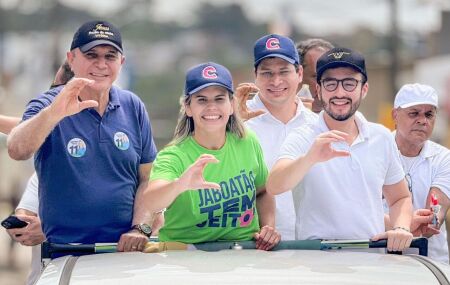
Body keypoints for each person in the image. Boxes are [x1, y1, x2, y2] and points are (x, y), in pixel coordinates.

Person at [7, 20, 158, 253]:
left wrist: (140, 229)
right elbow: (17, 149)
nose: (101, 64)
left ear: (122, 62)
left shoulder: (133, 106)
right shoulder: (47, 103)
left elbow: (148, 179)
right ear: (71, 58)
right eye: (91, 55)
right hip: (66, 253)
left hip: (125, 252)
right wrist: (54, 113)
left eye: (110, 56)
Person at [267, 47, 414, 252]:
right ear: (318, 89)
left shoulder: (380, 136)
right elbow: (274, 185)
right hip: (317, 261)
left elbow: (400, 197)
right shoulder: (303, 136)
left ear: (364, 89)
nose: (339, 93)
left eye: (349, 83)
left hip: (372, 261)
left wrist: (400, 227)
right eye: (330, 83)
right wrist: (310, 158)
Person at [144, 62, 280, 250]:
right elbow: (151, 202)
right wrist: (180, 184)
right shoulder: (174, 155)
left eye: (219, 99)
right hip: (186, 254)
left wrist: (268, 228)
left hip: (242, 252)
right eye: (201, 100)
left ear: (231, 105)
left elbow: (263, 190)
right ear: (188, 107)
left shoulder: (247, 141)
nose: (211, 107)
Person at [234, 34, 318, 240]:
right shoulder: (238, 123)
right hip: (253, 245)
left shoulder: (317, 126)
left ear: (299, 73)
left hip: (311, 247)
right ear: (255, 75)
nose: (276, 81)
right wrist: (229, 126)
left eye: (284, 71)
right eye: (267, 73)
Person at [389, 83, 450, 262]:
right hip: (380, 262)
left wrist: (431, 221)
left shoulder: (444, 158)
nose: (423, 120)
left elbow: (435, 212)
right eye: (414, 113)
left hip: (431, 265)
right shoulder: (377, 152)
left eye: (429, 114)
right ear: (395, 115)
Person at [296, 38, 334, 113]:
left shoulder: (354, 120)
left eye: (330, 78)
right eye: (317, 77)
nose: (324, 86)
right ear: (298, 74)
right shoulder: (275, 117)